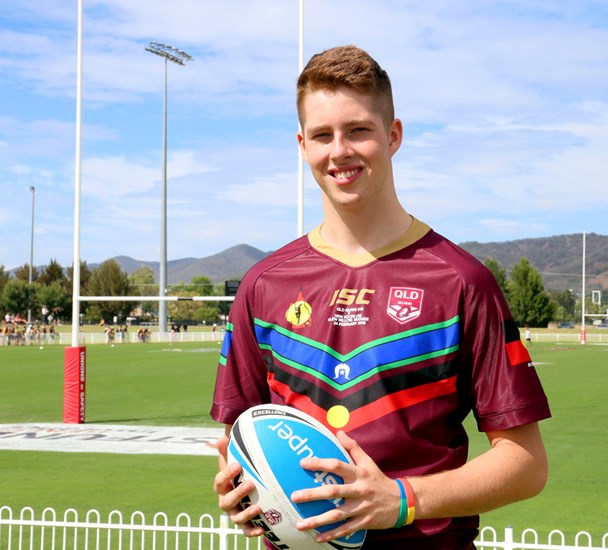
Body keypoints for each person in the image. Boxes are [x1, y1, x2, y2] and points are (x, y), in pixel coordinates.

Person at [211, 45, 551, 550]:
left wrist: (402, 500)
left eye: (359, 130)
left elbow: (526, 465)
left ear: (393, 136)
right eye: (323, 135)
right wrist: (242, 488)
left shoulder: (462, 281)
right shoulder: (263, 285)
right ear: (302, 144)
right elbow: (236, 442)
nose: (340, 150)